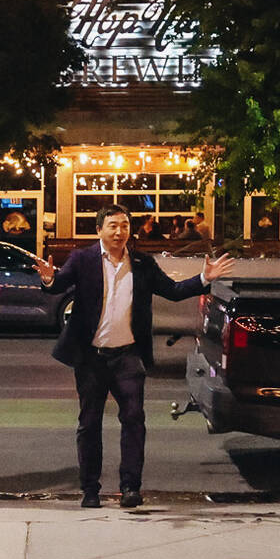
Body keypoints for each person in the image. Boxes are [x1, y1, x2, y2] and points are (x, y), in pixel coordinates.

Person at [33, 204, 234, 508]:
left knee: (134, 420)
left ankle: (131, 487)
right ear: (99, 230)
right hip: (91, 358)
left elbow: (174, 290)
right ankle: (90, 489)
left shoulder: (141, 263)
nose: (119, 232)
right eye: (112, 226)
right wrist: (49, 279)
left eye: (124, 225)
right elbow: (57, 286)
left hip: (127, 356)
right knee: (89, 423)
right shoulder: (83, 260)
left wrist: (204, 279)